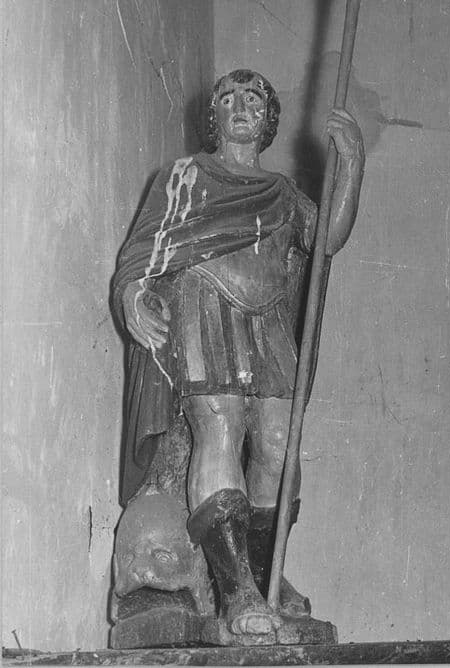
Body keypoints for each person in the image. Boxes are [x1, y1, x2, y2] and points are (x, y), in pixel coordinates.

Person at [111, 69, 364, 638]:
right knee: (220, 427)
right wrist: (131, 295)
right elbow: (145, 249)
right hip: (205, 306)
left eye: (253, 99)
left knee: (277, 444)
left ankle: (265, 570)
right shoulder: (185, 175)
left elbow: (327, 239)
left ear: (269, 120)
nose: (241, 107)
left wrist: (352, 164)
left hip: (269, 318)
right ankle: (237, 590)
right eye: (228, 99)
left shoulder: (284, 195)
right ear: (215, 116)